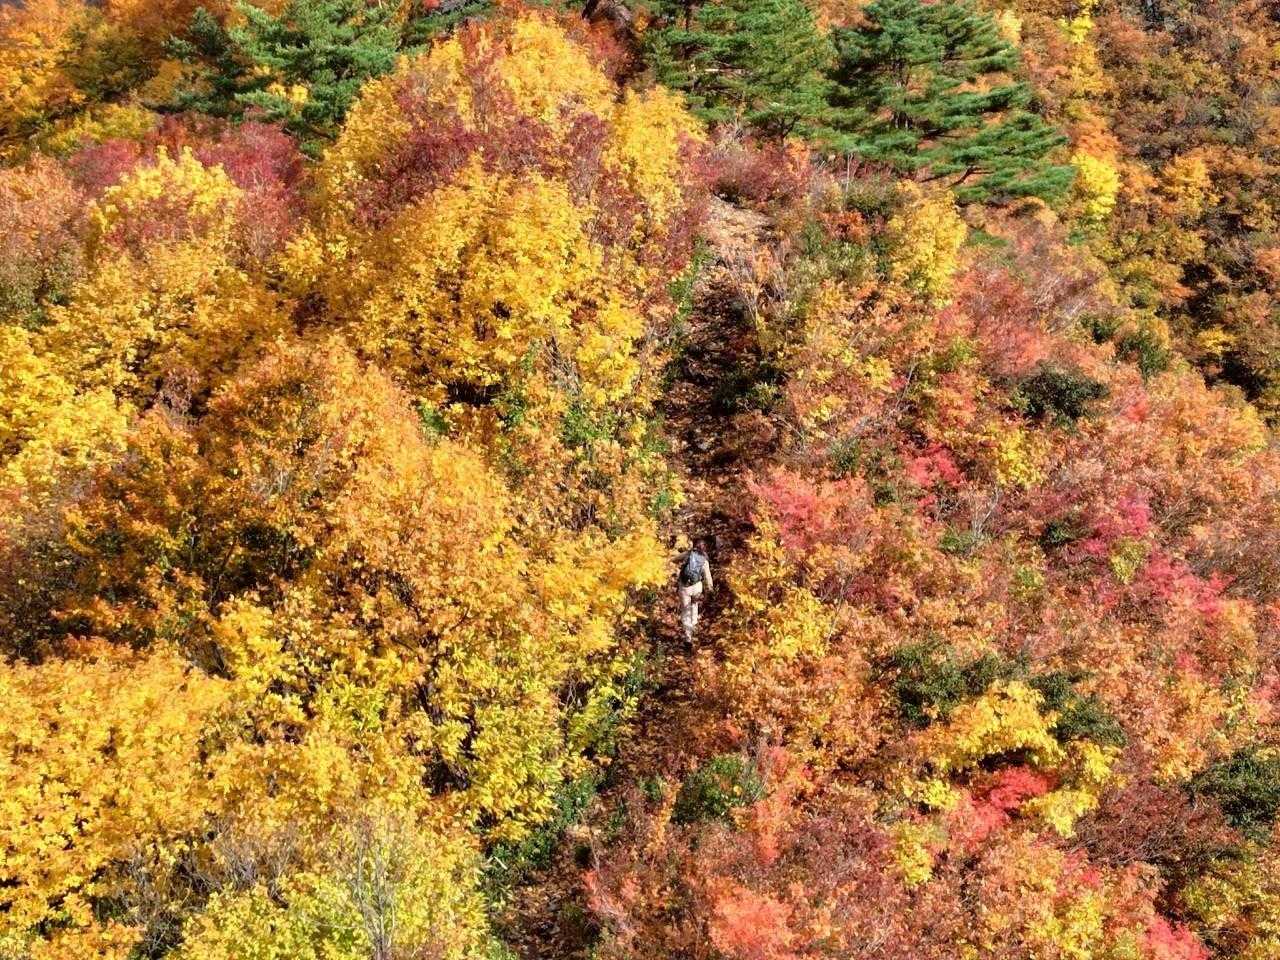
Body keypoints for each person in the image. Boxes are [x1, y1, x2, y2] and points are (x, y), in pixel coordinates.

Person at [677, 537, 714, 642]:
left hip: (685, 587)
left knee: (685, 610)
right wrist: (710, 590)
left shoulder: (688, 554)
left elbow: (674, 559)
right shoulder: (704, 560)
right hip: (697, 586)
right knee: (694, 606)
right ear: (705, 548)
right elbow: (708, 577)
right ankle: (694, 626)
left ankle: (688, 637)